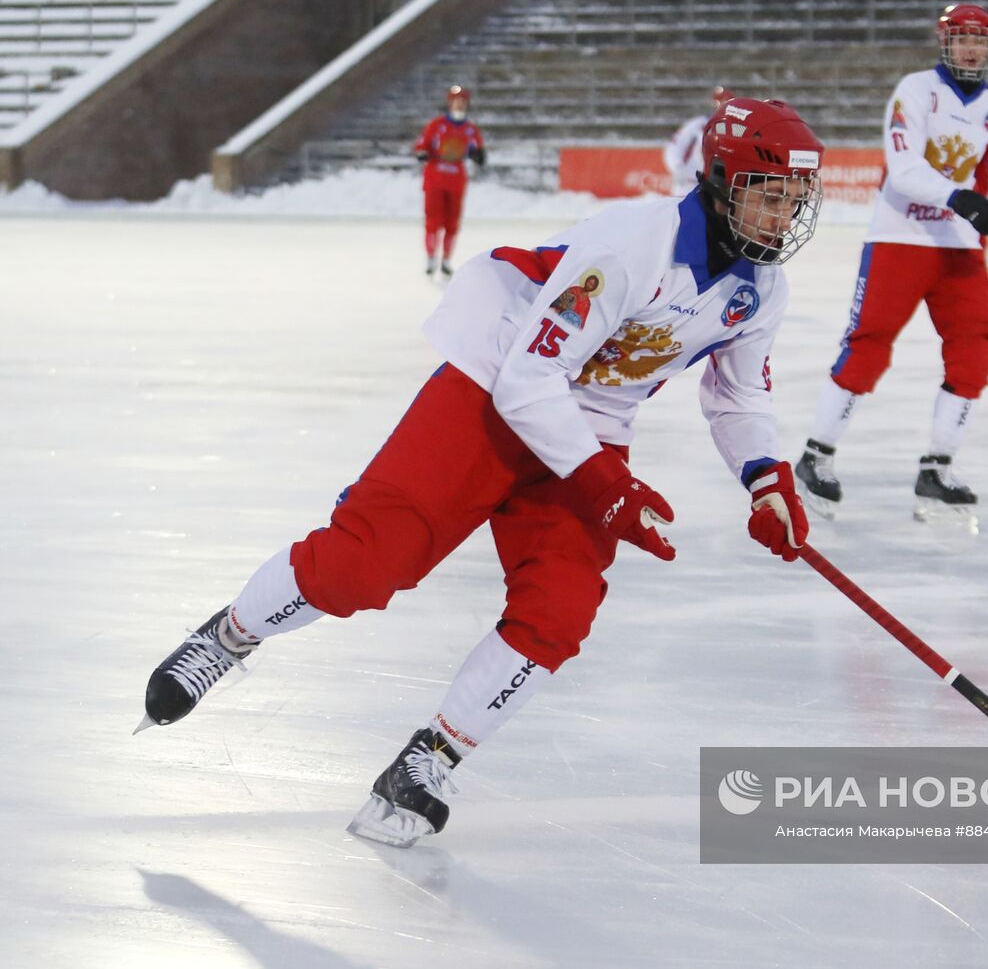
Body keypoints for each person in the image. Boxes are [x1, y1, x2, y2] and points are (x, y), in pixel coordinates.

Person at [139, 97, 825, 848]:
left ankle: (427, 760)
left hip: (589, 426)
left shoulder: (760, 289)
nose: (782, 216)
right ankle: (228, 636)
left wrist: (767, 481)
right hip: (493, 385)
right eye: (769, 195)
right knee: (365, 566)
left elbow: (739, 396)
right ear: (723, 183)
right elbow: (529, 382)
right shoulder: (634, 244)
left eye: (794, 199)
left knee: (561, 607)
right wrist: (604, 486)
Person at [794, 3, 988, 524]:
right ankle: (816, 455)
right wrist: (960, 197)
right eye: (962, 39)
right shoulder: (915, 90)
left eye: (980, 41)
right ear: (946, 43)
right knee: (869, 343)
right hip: (900, 238)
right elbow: (905, 167)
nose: (971, 49)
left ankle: (937, 467)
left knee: (974, 351)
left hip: (959, 248)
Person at [415, 84, 486, 277]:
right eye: (456, 101)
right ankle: (431, 257)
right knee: (433, 219)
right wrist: (423, 153)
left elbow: (477, 149)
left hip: (456, 179)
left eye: (462, 102)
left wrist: (477, 155)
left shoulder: (470, 130)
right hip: (435, 177)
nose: (459, 105)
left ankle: (446, 259)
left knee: (452, 221)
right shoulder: (437, 125)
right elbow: (423, 144)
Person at [663, 85, 735, 194]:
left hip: (715, 186)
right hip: (689, 183)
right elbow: (675, 145)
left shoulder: (734, 129)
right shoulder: (698, 124)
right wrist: (677, 166)